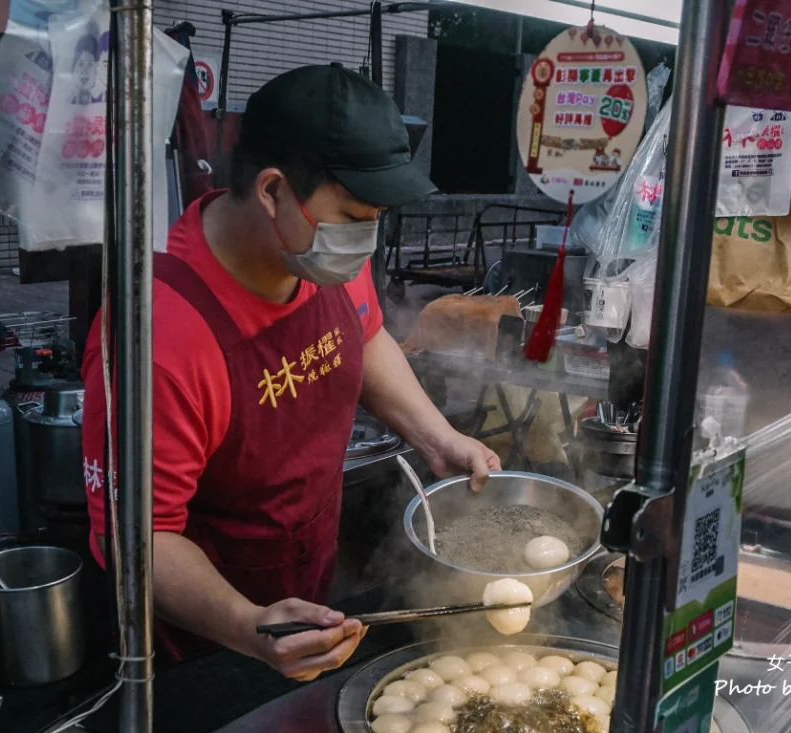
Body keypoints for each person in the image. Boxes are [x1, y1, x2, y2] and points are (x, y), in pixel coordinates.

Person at [81, 64, 500, 682]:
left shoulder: (317, 254)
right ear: (273, 189)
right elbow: (140, 538)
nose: (365, 237)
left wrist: (439, 437)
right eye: (355, 214)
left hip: (306, 582)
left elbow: (365, 332)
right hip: (199, 642)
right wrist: (247, 626)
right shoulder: (159, 334)